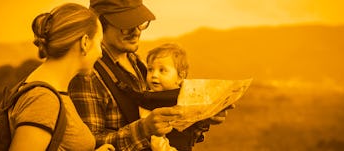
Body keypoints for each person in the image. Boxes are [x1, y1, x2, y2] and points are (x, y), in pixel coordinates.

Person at [69, 0, 233, 150]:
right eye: (126, 24)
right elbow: (88, 144)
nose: (136, 31)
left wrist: (202, 117)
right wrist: (144, 129)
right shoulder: (87, 74)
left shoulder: (137, 62)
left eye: (139, 23)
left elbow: (167, 129)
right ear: (99, 22)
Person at [7, 3, 114, 151]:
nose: (100, 53)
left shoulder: (49, 91)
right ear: (85, 42)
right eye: (99, 43)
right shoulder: (43, 99)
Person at [140, 43, 189, 151]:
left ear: (180, 76)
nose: (154, 75)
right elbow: (156, 138)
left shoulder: (186, 96)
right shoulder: (148, 101)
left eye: (162, 70)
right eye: (150, 69)